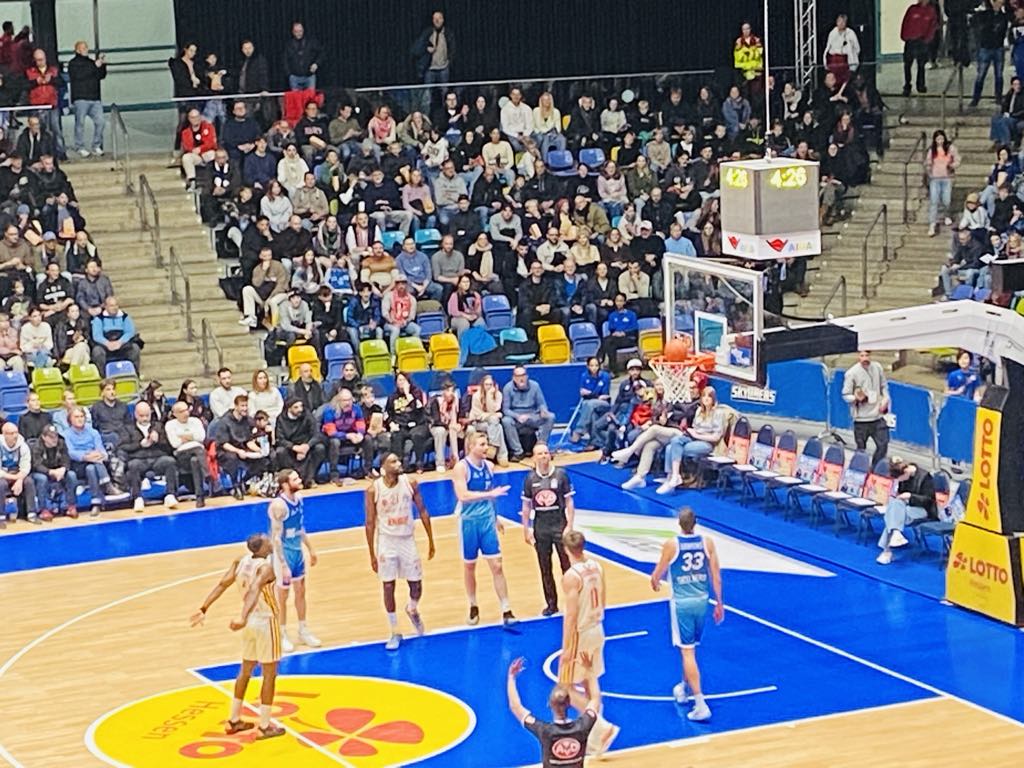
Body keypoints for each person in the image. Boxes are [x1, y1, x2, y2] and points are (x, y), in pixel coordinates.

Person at [189, 533, 286, 740]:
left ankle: (234, 720)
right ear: (261, 549)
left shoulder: (240, 561)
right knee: (270, 674)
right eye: (267, 540)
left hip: (250, 624)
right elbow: (254, 589)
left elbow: (222, 584)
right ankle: (265, 726)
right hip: (265, 621)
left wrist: (204, 607)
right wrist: (242, 616)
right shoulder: (265, 568)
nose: (270, 541)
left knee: (245, 670)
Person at [649, 507, 724, 722]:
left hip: (681, 603)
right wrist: (719, 603)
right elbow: (716, 576)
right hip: (702, 600)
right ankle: (684, 687)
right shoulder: (707, 542)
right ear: (695, 523)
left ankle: (700, 704)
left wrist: (654, 581)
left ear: (679, 523)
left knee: (687, 652)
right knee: (689, 647)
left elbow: (657, 574)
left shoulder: (672, 544)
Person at [364, 452, 436, 650]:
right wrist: (371, 554)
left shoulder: (410, 483)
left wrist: (431, 540)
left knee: (416, 585)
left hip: (407, 540)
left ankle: (412, 608)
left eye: (398, 460)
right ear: (383, 468)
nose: (398, 463)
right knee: (388, 586)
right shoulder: (373, 490)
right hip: (386, 542)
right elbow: (369, 523)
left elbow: (423, 511)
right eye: (393, 461)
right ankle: (395, 630)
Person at [558, 530, 619, 756]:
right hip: (597, 628)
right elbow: (603, 600)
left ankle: (602, 727)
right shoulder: (597, 566)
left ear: (566, 549)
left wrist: (567, 648)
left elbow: (571, 616)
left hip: (581, 634)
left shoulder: (571, 576)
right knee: (589, 679)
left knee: (564, 688)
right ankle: (594, 736)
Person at [453, 431, 516, 626]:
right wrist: (489, 495)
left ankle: (506, 609)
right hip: (468, 521)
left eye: (486, 443)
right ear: (471, 446)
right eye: (482, 444)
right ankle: (473, 605)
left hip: (487, 520)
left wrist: (496, 517)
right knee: (469, 566)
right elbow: (462, 496)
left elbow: (491, 494)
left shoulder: (489, 466)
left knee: (497, 565)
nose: (486, 447)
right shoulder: (461, 467)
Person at [507, 651, 601, 768]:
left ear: (549, 705)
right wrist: (589, 671)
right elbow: (595, 699)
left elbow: (515, 707)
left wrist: (511, 677)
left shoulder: (545, 731)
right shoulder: (583, 726)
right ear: (569, 704)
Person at [268, 468, 321, 653]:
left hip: (297, 552)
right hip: (283, 555)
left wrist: (311, 549)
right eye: (295, 479)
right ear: (285, 484)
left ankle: (303, 630)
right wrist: (283, 564)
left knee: (301, 591)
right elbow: (275, 538)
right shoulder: (278, 506)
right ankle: (281, 633)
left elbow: (300, 528)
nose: (299, 480)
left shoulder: (299, 499)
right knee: (282, 596)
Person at [520, 444, 574, 616]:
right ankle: (551, 604)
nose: (543, 456)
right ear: (534, 457)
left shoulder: (561, 474)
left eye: (546, 453)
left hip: (559, 522)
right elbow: (526, 506)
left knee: (567, 565)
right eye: (540, 453)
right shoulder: (530, 479)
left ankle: (573, 601)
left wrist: (569, 526)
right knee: (545, 567)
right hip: (541, 526)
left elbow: (569, 502)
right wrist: (526, 528)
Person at [876, 457, 937, 564]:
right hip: (906, 507)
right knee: (895, 507)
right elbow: (900, 494)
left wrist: (910, 496)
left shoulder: (925, 477)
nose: (901, 482)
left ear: (906, 472)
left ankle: (887, 550)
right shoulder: (903, 478)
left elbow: (929, 500)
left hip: (923, 510)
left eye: (901, 479)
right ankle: (896, 534)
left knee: (893, 514)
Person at [122, 401, 179, 513]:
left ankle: (170, 495)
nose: (145, 418)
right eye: (141, 416)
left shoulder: (158, 426)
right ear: (135, 414)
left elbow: (169, 446)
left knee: (170, 461)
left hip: (157, 457)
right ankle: (137, 497)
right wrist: (139, 444)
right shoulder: (128, 428)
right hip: (139, 458)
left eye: (147, 415)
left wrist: (159, 440)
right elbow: (123, 447)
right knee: (133, 465)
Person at [842, 350, 890, 466]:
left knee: (883, 444)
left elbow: (884, 386)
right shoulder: (851, 373)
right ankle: (860, 469)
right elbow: (845, 395)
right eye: (862, 355)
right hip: (861, 419)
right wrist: (856, 398)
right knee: (861, 449)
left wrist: (886, 399)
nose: (865, 358)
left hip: (877, 417)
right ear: (858, 356)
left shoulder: (877, 367)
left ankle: (875, 468)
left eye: (867, 355)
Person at [502, 366, 555, 461]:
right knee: (506, 421)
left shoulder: (535, 386)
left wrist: (543, 410)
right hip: (517, 418)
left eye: (523, 375)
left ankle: (540, 448)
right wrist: (517, 416)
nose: (521, 378)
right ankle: (518, 452)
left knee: (550, 417)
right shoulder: (507, 388)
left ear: (527, 376)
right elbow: (506, 410)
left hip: (532, 416)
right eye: (518, 376)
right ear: (513, 378)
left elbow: (541, 403)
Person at [165, 400, 211, 507]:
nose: (186, 413)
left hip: (198, 456)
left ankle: (199, 498)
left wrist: (183, 437)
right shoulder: (170, 425)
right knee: (199, 450)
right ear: (175, 414)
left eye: (186, 410)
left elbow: (201, 437)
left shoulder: (195, 421)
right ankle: (207, 474)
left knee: (195, 461)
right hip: (181, 455)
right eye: (181, 411)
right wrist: (192, 436)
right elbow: (175, 443)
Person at [67, 41, 107, 158]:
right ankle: (80, 146)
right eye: (83, 48)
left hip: (94, 97)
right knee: (80, 123)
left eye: (86, 47)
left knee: (101, 122)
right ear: (77, 50)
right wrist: (95, 66)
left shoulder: (91, 62)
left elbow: (101, 75)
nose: (86, 49)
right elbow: (79, 75)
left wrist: (102, 65)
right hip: (80, 98)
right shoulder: (73, 63)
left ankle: (96, 145)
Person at [30, 423, 77, 520]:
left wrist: (63, 469)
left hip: (58, 471)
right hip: (41, 472)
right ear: (44, 437)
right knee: (42, 479)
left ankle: (70, 505)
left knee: (71, 475)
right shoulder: (36, 446)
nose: (54, 439)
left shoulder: (61, 443)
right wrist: (50, 472)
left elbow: (66, 460)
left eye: (55, 436)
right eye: (51, 437)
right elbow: (36, 465)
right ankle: (44, 509)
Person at [923, 130, 959, 238]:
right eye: (938, 139)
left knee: (946, 200)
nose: (940, 141)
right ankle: (932, 224)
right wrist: (929, 171)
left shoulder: (950, 148)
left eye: (942, 139)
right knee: (934, 201)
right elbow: (928, 162)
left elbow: (958, 159)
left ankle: (947, 215)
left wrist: (952, 166)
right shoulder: (932, 150)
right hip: (935, 178)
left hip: (947, 178)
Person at [0, 421, 36, 525]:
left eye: (16, 432)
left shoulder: (23, 446)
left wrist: (19, 479)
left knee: (29, 482)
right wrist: (15, 478)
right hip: (3, 475)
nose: (15, 435)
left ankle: (31, 513)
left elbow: (25, 467)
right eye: (11, 433)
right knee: (1, 484)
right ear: (4, 434)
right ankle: (1, 515)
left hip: (17, 473)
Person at [900, 0, 939, 96]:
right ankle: (907, 85)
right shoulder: (912, 9)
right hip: (910, 40)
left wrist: (927, 39)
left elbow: (933, 26)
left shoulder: (931, 11)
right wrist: (904, 36)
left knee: (921, 65)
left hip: (922, 40)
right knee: (907, 64)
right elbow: (905, 22)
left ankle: (920, 85)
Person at [429, 380, 463, 472]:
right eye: (448, 391)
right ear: (443, 392)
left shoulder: (457, 402)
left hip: (452, 427)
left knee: (469, 430)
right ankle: (440, 463)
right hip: (437, 426)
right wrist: (450, 426)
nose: (451, 393)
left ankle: (458, 461)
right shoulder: (436, 401)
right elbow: (436, 420)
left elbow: (461, 416)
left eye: (452, 391)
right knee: (441, 431)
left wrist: (460, 424)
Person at [284, 21, 320, 91]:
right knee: (296, 97)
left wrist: (316, 64)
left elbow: (321, 53)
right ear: (293, 32)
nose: (298, 33)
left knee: (310, 96)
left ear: (303, 31)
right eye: (296, 31)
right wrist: (289, 74)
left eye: (300, 31)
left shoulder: (311, 42)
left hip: (309, 76)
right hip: (294, 77)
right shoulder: (289, 45)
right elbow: (285, 60)